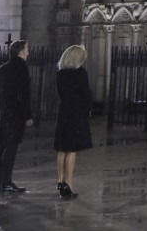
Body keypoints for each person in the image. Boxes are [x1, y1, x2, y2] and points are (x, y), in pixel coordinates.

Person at [54, 44, 93, 199]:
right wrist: (89, 107)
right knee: (72, 149)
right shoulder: (80, 74)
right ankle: (69, 183)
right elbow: (86, 93)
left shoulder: (60, 74)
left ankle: (60, 180)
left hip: (64, 111)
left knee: (62, 148)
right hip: (76, 112)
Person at [0, 40, 33, 194]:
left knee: (2, 147)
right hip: (15, 113)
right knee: (11, 148)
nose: (28, 53)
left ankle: (0, 183)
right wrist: (27, 115)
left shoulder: (3, 68)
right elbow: (23, 94)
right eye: (27, 49)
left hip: (5, 112)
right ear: (21, 52)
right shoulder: (21, 67)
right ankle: (6, 182)